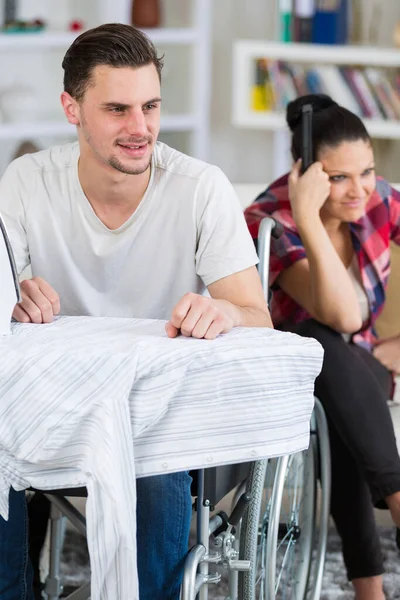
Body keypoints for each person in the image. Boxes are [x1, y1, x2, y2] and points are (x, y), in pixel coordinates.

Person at [0, 23, 272, 600]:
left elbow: (257, 314)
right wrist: (15, 297)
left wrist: (221, 309)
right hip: (54, 411)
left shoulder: (199, 187)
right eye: (117, 109)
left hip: (162, 420)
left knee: (152, 455)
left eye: (150, 106)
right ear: (71, 109)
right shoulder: (25, 182)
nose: (141, 129)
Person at [245, 93, 400, 600]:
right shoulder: (268, 219)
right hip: (291, 375)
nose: (360, 191)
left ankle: (370, 590)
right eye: (339, 178)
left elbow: (357, 330)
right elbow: (344, 315)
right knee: (315, 342)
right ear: (307, 175)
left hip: (364, 370)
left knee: (342, 385)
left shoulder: (380, 201)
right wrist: (310, 218)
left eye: (368, 172)